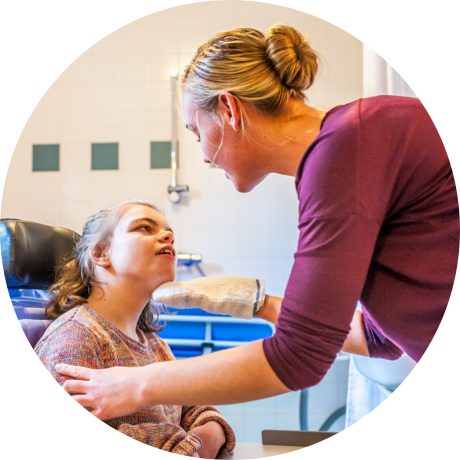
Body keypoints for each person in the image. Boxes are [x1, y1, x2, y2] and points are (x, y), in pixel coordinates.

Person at [55, 25, 460, 421]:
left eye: (198, 133)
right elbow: (377, 339)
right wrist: (257, 303)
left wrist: (136, 385)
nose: (204, 157)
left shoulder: (344, 151)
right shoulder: (348, 144)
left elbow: (299, 356)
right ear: (99, 255)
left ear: (229, 110)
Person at [34, 199, 236, 458]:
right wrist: (186, 442)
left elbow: (197, 411)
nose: (168, 237)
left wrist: (207, 433)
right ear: (100, 254)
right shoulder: (75, 338)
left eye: (169, 233)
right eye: (144, 228)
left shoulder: (154, 345)